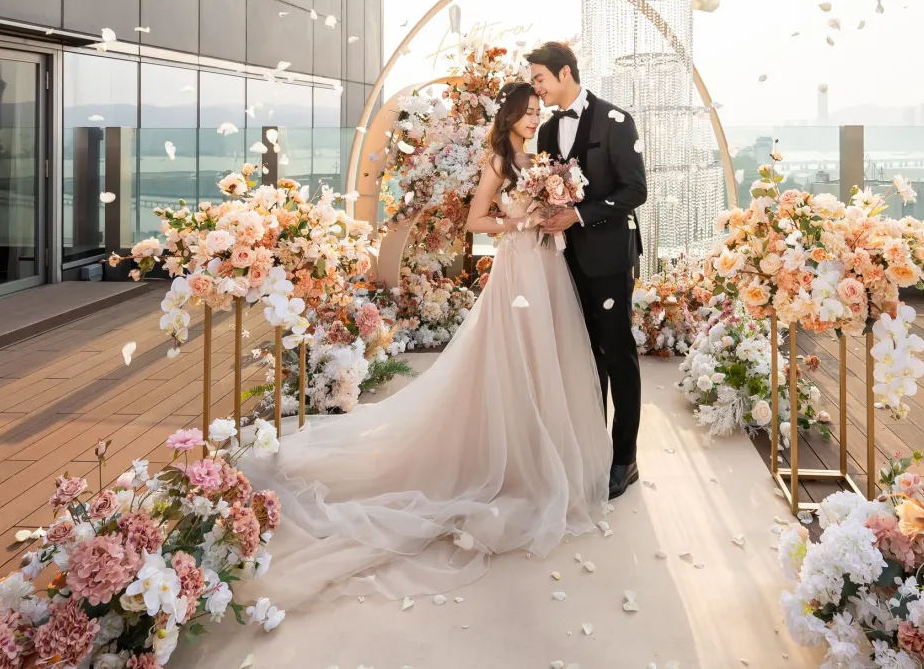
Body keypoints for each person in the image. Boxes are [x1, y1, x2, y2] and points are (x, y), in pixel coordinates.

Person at [226, 81, 611, 611]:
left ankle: (540, 451)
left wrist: (556, 205)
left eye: (537, 110)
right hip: (518, 267)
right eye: (524, 112)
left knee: (549, 358)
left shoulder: (540, 157)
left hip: (547, 267)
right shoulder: (499, 160)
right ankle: (505, 459)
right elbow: (476, 219)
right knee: (512, 358)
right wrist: (525, 220)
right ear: (509, 116)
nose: (531, 118)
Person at [527, 40, 648, 500]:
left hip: (611, 260)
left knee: (618, 355)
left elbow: (635, 190)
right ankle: (591, 450)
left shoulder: (616, 120)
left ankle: (624, 458)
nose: (536, 89)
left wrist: (578, 215)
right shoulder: (545, 132)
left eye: (540, 79)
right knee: (583, 356)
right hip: (566, 262)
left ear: (564, 74)